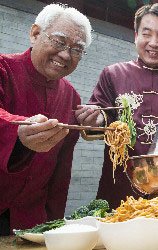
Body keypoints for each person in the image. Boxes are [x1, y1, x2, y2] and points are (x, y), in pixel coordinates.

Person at [74, 3, 158, 209]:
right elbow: (100, 113)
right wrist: (96, 118)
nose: (154, 43)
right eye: (146, 34)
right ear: (136, 36)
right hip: (121, 187)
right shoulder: (113, 75)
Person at [0, 4, 92, 235]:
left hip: (32, 219)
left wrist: (54, 224)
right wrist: (17, 131)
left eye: (76, 49)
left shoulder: (72, 97)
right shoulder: (4, 68)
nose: (65, 54)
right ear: (35, 34)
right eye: (59, 41)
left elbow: (61, 172)